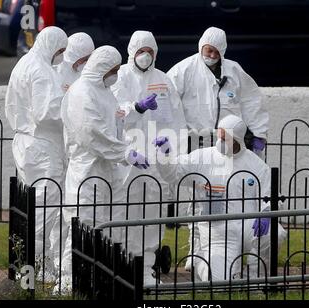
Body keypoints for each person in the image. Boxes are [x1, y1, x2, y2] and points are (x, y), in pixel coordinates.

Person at [167, 26, 269, 269]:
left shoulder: (234, 71)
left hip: (228, 144)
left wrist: (259, 132)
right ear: (200, 46)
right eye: (207, 49)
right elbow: (169, 104)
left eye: (215, 51)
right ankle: (195, 250)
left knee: (224, 194)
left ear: (222, 51)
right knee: (196, 199)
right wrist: (174, 136)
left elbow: (251, 100)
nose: (210, 54)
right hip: (197, 142)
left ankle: (231, 246)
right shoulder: (184, 70)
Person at [59, 45, 149, 291]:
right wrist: (125, 153)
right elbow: (92, 133)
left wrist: (137, 120)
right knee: (84, 224)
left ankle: (104, 276)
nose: (116, 74)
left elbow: (115, 122)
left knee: (110, 225)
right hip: (87, 172)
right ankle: (71, 280)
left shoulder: (104, 91)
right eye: (113, 69)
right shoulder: (82, 92)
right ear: (101, 68)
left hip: (108, 171)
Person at [154, 115, 286, 281]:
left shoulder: (256, 165)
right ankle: (201, 261)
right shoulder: (202, 158)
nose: (220, 142)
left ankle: (256, 279)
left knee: (274, 233)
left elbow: (272, 196)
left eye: (226, 139)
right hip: (217, 230)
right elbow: (173, 174)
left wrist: (266, 213)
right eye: (219, 137)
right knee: (220, 282)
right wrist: (165, 155)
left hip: (248, 224)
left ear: (238, 139)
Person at [111, 30, 187, 285]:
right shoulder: (119, 76)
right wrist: (136, 108)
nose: (145, 56)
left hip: (154, 161)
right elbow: (112, 112)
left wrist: (171, 148)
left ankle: (145, 268)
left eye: (150, 51)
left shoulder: (164, 81)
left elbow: (176, 121)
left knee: (150, 214)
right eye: (141, 51)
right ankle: (121, 265)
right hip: (126, 159)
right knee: (123, 212)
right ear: (132, 52)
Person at [5, 26, 68, 280]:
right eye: (61, 51)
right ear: (52, 45)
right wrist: (70, 104)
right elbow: (46, 113)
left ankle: (28, 263)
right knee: (46, 204)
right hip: (42, 145)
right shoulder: (41, 71)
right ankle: (36, 265)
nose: (62, 56)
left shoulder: (26, 62)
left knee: (34, 202)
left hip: (28, 142)